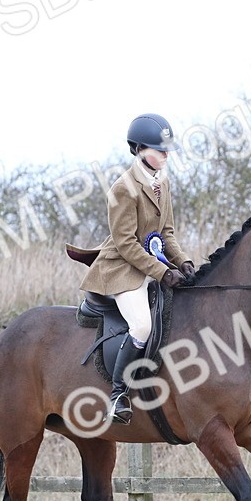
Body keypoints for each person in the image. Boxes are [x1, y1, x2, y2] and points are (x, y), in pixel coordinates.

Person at [73, 113, 196, 424]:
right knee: (141, 326)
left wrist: (183, 261)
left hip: (150, 263)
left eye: (168, 150)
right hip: (121, 269)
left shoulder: (162, 183)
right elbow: (126, 244)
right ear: (140, 149)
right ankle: (118, 396)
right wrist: (163, 272)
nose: (166, 155)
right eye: (160, 150)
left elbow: (166, 233)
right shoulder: (123, 188)